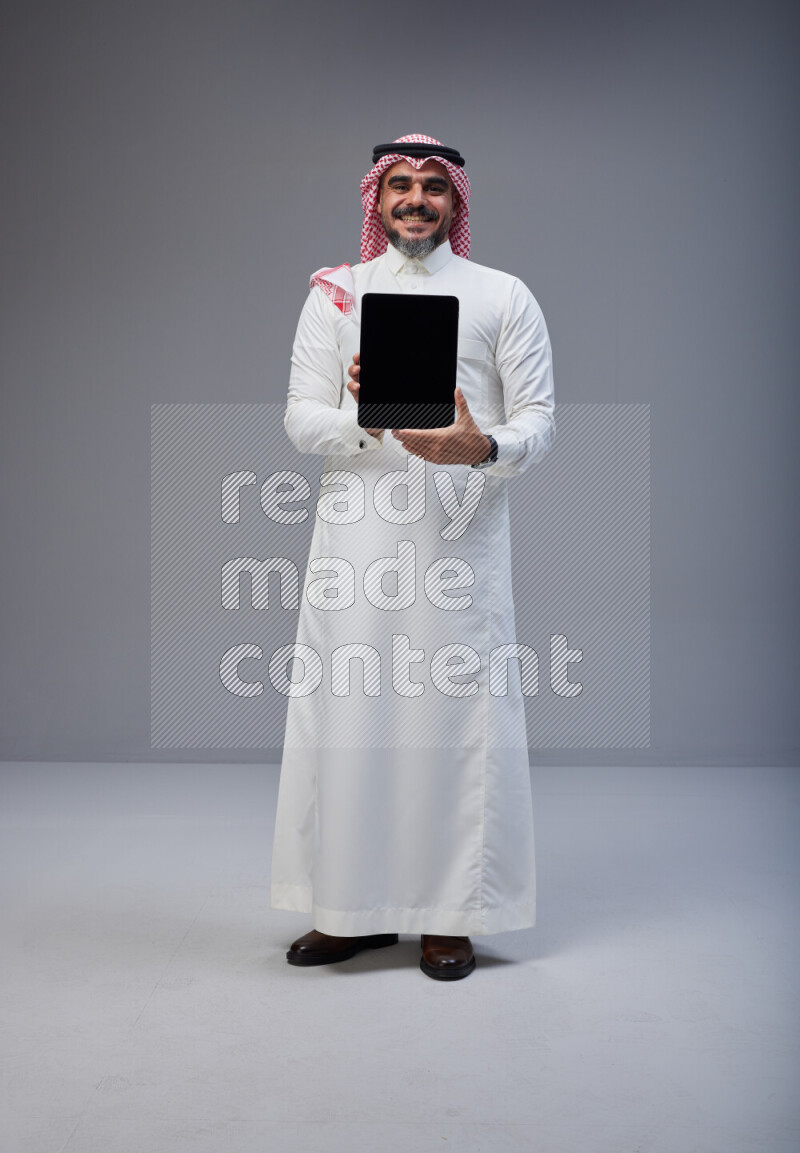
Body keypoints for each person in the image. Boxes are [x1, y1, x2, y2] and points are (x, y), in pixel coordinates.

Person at [269, 134, 555, 980]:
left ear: (456, 202)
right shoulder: (336, 293)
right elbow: (298, 419)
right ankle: (349, 910)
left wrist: (480, 445)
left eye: (434, 187)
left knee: (451, 725)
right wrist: (364, 414)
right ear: (376, 198)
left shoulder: (504, 295)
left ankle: (447, 916)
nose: (417, 200)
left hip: (458, 540)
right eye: (400, 185)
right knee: (353, 722)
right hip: (356, 542)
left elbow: (540, 420)